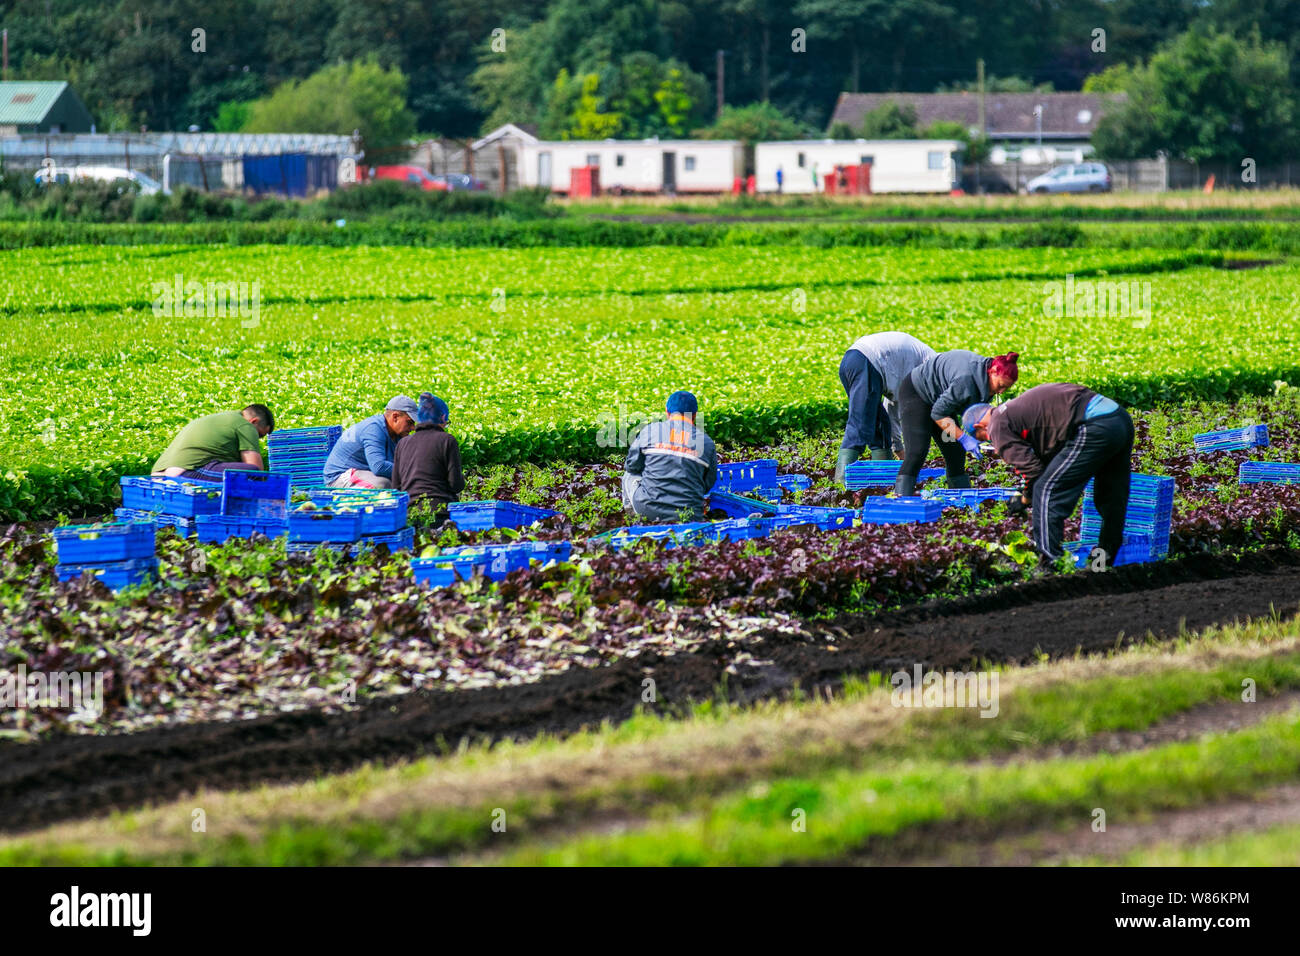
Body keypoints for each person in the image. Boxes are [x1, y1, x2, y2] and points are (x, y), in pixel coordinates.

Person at [963, 384, 1133, 569]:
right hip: (1119, 418)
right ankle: (1102, 563)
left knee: (1046, 491)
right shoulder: (1016, 410)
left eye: (984, 438)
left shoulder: (997, 424)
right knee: (1111, 497)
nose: (992, 442)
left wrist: (1025, 498)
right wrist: (1026, 495)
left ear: (979, 426)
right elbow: (1048, 462)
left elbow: (1034, 472)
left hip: (1093, 425)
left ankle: (1050, 563)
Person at [894, 350, 1019, 496]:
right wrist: (964, 438)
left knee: (956, 451)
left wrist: (996, 439)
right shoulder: (965, 381)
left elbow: (975, 418)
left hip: (942, 401)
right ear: (993, 372)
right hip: (917, 393)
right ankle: (900, 499)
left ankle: (960, 499)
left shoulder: (987, 383)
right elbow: (938, 414)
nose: (1001, 392)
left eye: (1006, 388)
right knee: (917, 451)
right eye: (1000, 386)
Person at [837, 331, 937, 482]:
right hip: (866, 361)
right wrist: (905, 454)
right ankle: (840, 482)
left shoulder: (923, 369)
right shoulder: (930, 370)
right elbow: (899, 409)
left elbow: (892, 411)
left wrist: (898, 449)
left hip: (854, 361)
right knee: (860, 423)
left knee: (880, 425)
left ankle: (883, 478)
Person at [623, 390, 718, 522]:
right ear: (694, 415)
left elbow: (632, 466)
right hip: (690, 514)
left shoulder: (651, 430)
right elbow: (708, 483)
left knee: (629, 476)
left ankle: (634, 520)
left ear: (667, 412)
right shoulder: (707, 443)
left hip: (649, 510)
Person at [151, 404, 274, 480]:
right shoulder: (245, 425)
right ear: (254, 421)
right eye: (259, 435)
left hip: (157, 475)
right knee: (253, 473)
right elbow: (257, 470)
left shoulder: (222, 418)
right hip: (184, 474)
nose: (256, 439)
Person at [392, 393, 465, 519]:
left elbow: (396, 486)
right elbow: (456, 484)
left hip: (410, 514)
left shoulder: (402, 443)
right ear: (443, 418)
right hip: (440, 512)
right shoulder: (447, 440)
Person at [323, 396, 418, 489]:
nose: (413, 428)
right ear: (395, 417)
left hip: (363, 472)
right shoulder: (373, 429)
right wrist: (411, 470)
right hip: (339, 478)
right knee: (383, 484)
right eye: (409, 422)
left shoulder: (398, 433)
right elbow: (379, 466)